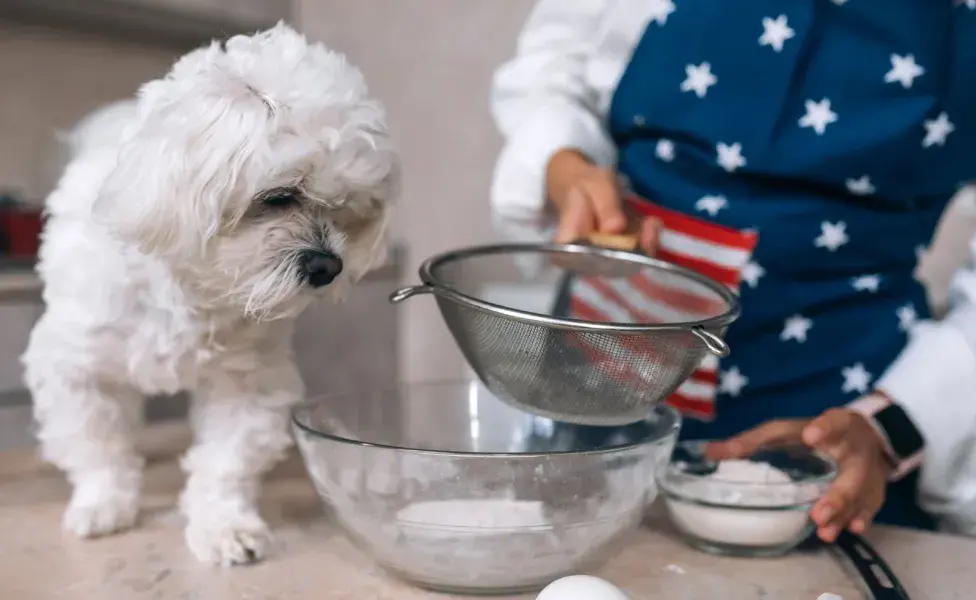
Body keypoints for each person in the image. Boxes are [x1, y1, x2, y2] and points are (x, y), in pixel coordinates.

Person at [489, 0, 976, 541]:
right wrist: (565, 162)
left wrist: (887, 428)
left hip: (834, 428)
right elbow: (559, 65)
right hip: (600, 378)